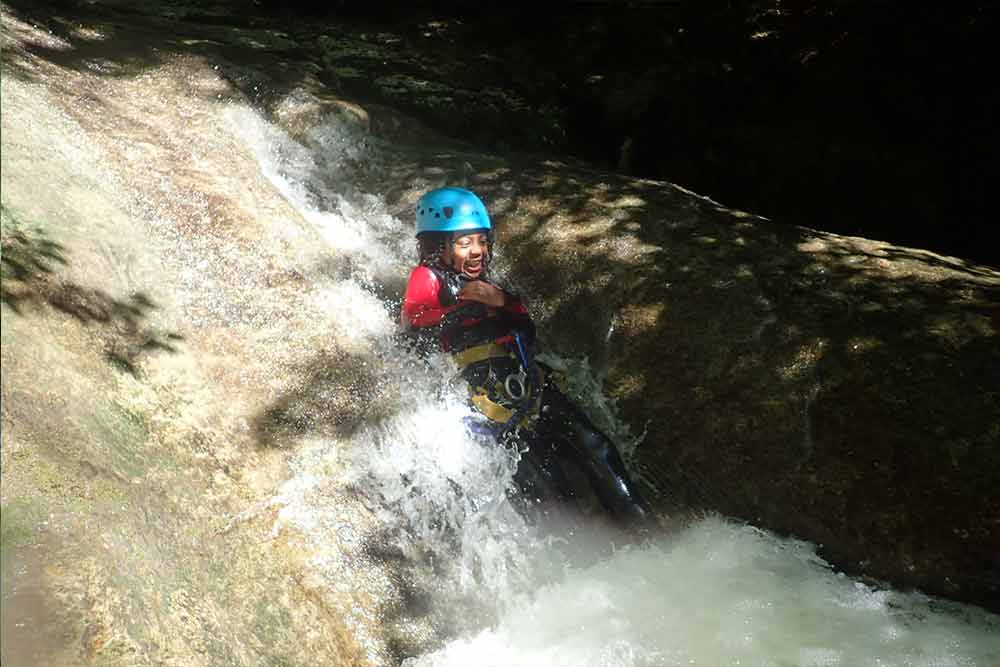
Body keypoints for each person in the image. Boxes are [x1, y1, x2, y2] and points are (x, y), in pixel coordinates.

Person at [399, 187, 651, 528]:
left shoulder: (482, 281)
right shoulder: (429, 276)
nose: (477, 251)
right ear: (437, 246)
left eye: (481, 241)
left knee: (597, 446)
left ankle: (642, 527)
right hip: (488, 398)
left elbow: (523, 325)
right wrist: (462, 301)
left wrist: (500, 301)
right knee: (548, 478)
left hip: (526, 381)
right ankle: (583, 557)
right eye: (464, 242)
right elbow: (413, 319)